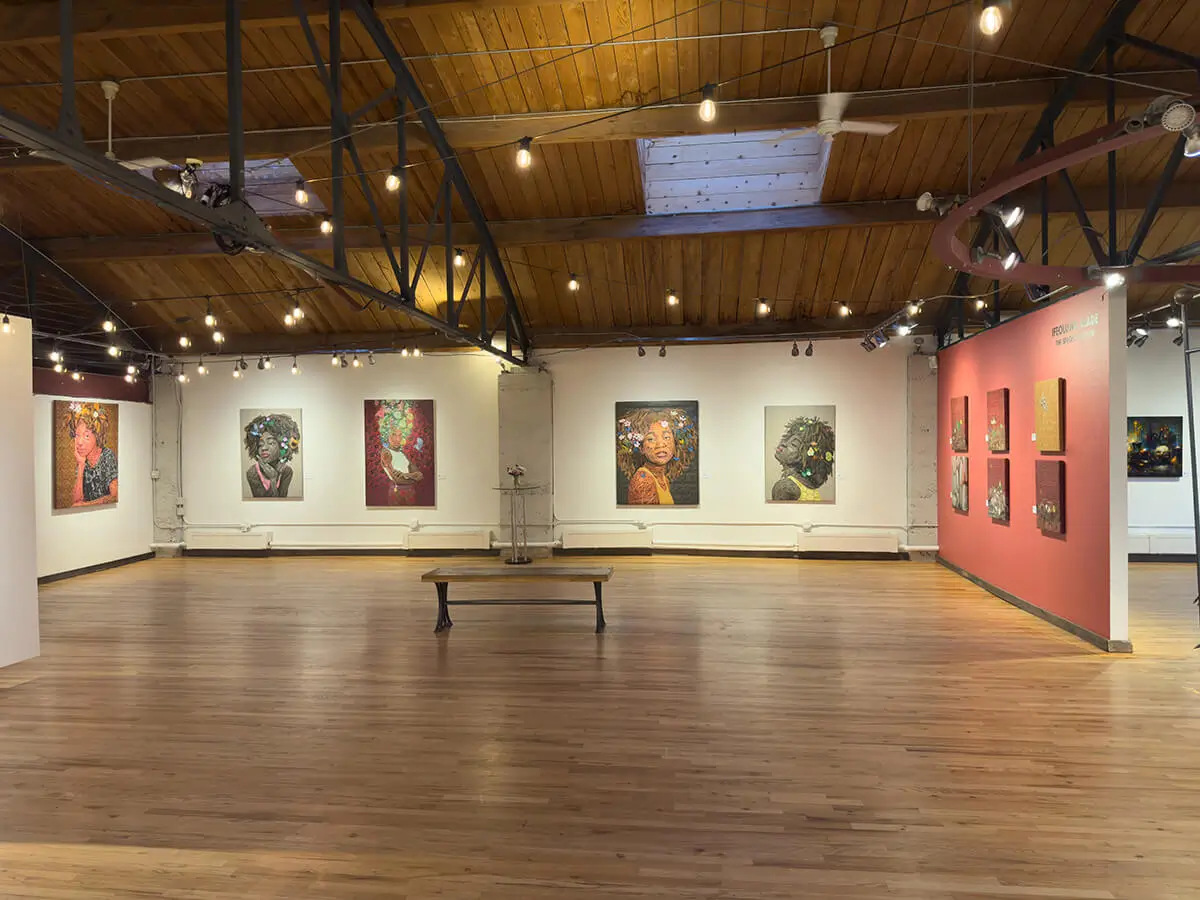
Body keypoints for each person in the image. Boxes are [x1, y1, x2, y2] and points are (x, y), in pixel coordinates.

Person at [616, 407, 697, 505]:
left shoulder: (663, 478)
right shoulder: (643, 481)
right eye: (651, 439)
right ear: (641, 447)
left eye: (666, 437)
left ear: (676, 443)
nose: (660, 444)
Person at [770, 415, 835, 502]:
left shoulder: (785, 487)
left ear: (804, 458)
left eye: (794, 444)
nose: (784, 443)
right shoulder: (810, 489)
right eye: (787, 439)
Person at [65, 403, 118, 507]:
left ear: (97, 436)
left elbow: (114, 496)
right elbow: (76, 501)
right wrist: (81, 465)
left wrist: (86, 505)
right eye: (77, 435)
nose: (79, 442)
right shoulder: (84, 460)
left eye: (86, 436)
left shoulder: (107, 456)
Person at [243, 413, 301, 498]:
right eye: (260, 445)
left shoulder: (286, 471)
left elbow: (281, 500)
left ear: (282, 446)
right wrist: (273, 479)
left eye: (270, 443)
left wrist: (275, 478)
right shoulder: (253, 473)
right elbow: (262, 502)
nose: (264, 448)